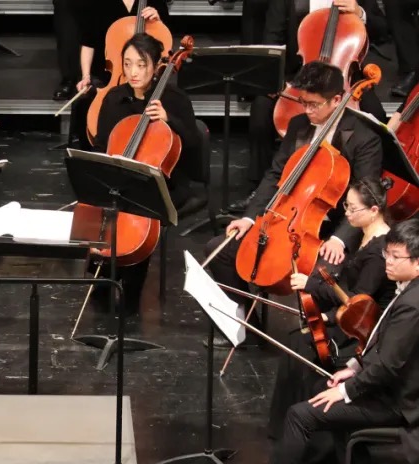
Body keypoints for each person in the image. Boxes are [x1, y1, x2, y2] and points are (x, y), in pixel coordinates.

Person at [227, 218, 419, 464]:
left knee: (301, 415)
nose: (389, 261)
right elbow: (385, 347)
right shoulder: (409, 291)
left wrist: (346, 390)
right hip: (389, 388)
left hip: (398, 402)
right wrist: (353, 367)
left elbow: (388, 365)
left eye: (397, 257)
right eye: (388, 254)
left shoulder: (413, 304)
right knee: (321, 388)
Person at [204, 62, 384, 347]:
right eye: (303, 103)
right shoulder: (299, 125)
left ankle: (320, 345)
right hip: (286, 221)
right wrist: (250, 218)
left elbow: (368, 195)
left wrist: (340, 239)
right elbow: (276, 175)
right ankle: (248, 330)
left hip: (331, 231)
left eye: (314, 104)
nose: (307, 110)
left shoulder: (364, 137)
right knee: (220, 250)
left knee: (321, 276)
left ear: (337, 100)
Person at [266, 177, 397, 439]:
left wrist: (314, 290)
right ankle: (287, 427)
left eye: (352, 208)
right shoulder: (364, 235)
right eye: (346, 206)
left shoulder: (378, 252)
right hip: (349, 317)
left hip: (360, 330)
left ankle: (301, 429)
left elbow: (356, 300)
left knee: (301, 345)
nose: (346, 213)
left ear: (374, 211)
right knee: (296, 341)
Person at [230, 0, 386, 213]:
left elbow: (382, 29)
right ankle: (259, 189)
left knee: (376, 114)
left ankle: (368, 190)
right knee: (260, 110)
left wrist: (360, 13)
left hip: (345, 79)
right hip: (301, 77)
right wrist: (274, 78)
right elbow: (272, 42)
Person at [92, 33, 205, 312]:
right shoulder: (114, 98)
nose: (133, 72)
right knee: (98, 201)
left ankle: (131, 291)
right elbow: (102, 146)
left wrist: (169, 120)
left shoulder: (174, 99)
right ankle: (100, 276)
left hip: (164, 183)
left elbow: (193, 145)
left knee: (142, 209)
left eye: (141, 65)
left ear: (156, 67)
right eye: (127, 64)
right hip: (120, 179)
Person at [69, 0, 169, 148]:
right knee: (84, 99)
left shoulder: (154, 2)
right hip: (108, 75)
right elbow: (88, 44)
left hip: (146, 78)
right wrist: (86, 76)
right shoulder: (96, 4)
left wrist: (158, 22)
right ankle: (87, 152)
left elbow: (165, 45)